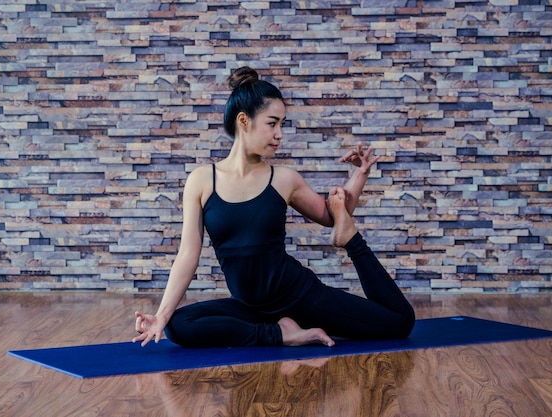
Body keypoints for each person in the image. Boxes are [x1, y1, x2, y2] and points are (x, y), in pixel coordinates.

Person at [133, 67, 415, 348]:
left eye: (283, 124)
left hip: (302, 299)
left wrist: (360, 174)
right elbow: (187, 255)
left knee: (400, 322)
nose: (279, 134)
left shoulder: (283, 178)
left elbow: (332, 216)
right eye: (272, 123)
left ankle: (352, 241)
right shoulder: (201, 181)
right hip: (248, 306)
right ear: (244, 121)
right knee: (177, 326)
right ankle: (282, 333)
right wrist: (160, 315)